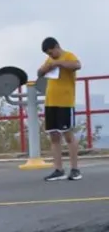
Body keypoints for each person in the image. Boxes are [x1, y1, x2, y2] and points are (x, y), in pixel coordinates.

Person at [36, 37, 82, 181]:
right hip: (51, 102)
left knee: (68, 135)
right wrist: (45, 68)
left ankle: (75, 169)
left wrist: (59, 63)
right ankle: (58, 169)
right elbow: (39, 73)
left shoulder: (68, 56)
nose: (50, 56)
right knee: (54, 136)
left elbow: (77, 65)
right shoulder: (49, 60)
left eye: (51, 53)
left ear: (57, 47)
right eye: (48, 54)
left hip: (65, 102)